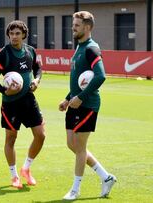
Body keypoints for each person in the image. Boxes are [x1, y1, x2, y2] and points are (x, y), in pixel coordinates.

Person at [58, 11, 117, 200]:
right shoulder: (79, 48)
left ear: (87, 27)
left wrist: (81, 97)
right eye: (73, 25)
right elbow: (78, 81)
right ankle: (106, 177)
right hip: (74, 104)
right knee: (71, 144)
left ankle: (75, 190)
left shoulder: (92, 48)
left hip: (88, 104)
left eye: (76, 25)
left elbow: (100, 76)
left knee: (80, 147)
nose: (72, 28)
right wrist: (68, 98)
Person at [0, 20, 45, 189]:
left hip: (29, 100)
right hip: (10, 104)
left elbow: (38, 69)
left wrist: (36, 80)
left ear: (24, 35)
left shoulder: (30, 51)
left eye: (17, 33)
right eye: (11, 34)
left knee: (41, 135)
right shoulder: (3, 54)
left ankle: (26, 168)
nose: (14, 36)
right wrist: (5, 91)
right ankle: (14, 176)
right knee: (11, 139)